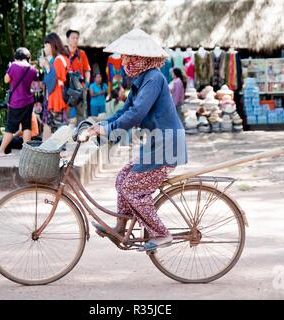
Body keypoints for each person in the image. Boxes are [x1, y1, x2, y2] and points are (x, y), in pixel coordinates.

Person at [84, 28, 188, 251]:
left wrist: (108, 129)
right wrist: (103, 125)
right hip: (155, 143)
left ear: (141, 58)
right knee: (122, 178)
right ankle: (120, 228)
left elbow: (137, 114)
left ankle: (161, 233)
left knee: (132, 188)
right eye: (124, 57)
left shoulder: (154, 78)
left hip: (166, 144)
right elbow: (124, 110)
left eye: (128, 57)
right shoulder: (141, 79)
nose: (124, 61)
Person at [0, 48, 37, 157]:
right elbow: (34, 84)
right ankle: (27, 151)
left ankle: (1, 151)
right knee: (26, 126)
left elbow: (6, 80)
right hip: (29, 101)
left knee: (10, 127)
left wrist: (10, 68)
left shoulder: (14, 66)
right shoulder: (33, 69)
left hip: (16, 102)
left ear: (16, 57)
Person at [40, 33, 70, 140]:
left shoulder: (58, 60)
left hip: (56, 97)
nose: (45, 48)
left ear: (52, 45)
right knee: (52, 125)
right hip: (58, 97)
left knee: (58, 127)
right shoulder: (63, 58)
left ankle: (61, 151)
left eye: (46, 45)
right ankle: (48, 149)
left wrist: (46, 66)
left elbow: (51, 81)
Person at [66, 29, 91, 123]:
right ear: (67, 39)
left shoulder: (82, 54)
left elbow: (87, 70)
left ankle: (81, 135)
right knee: (66, 114)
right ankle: (66, 135)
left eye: (77, 38)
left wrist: (86, 85)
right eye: (73, 38)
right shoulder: (63, 53)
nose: (75, 40)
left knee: (82, 115)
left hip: (80, 87)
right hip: (67, 88)